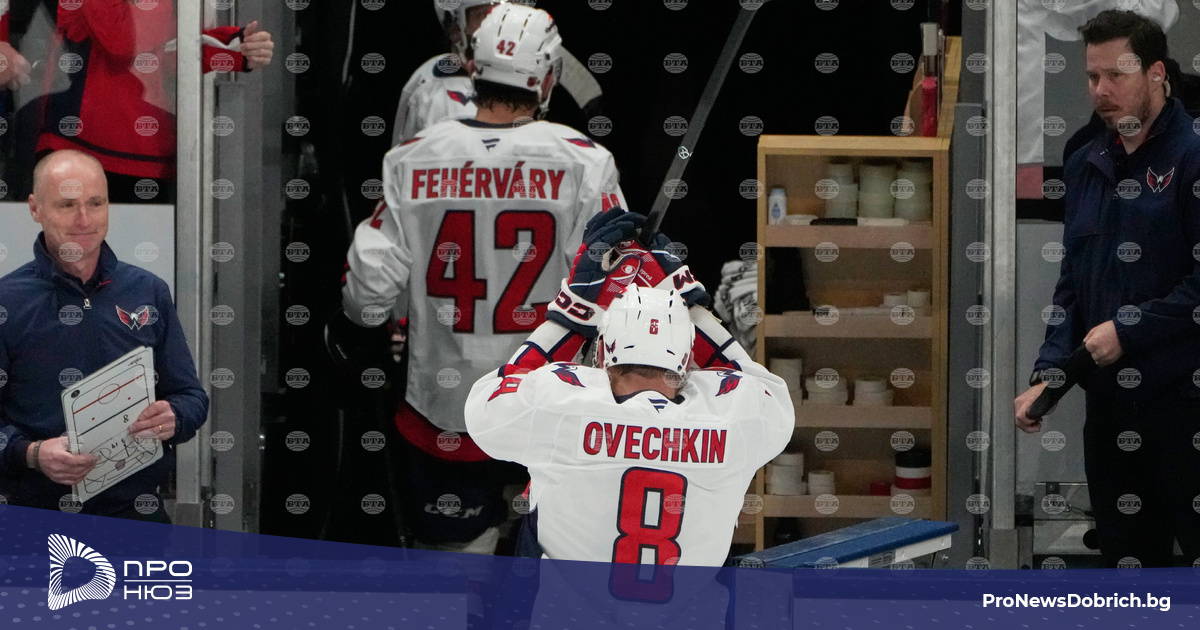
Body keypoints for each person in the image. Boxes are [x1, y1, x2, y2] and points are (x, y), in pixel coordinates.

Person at [334, 3, 629, 554]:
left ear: (472, 67)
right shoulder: (586, 162)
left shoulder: (413, 158)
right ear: (546, 79)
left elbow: (367, 294)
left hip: (444, 407)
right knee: (556, 569)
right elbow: (618, 289)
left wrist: (383, 327)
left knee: (454, 579)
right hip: (551, 407)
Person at [464, 214, 794, 566]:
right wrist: (686, 299)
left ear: (602, 352)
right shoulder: (735, 412)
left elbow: (488, 400)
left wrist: (573, 312)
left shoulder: (559, 400)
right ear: (688, 358)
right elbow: (758, 382)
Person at [1014, 10, 1200, 568]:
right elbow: (1073, 282)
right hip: (1112, 414)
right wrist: (1051, 371)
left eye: (1116, 75)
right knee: (1127, 570)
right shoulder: (1084, 161)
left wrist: (1128, 330)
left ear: (1156, 73)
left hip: (1185, 406)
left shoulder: (1192, 156)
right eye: (1093, 76)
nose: (1101, 90)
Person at [0, 149, 209, 521]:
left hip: (137, 516)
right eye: (67, 205)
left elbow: (191, 397)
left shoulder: (148, 291)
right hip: (37, 518)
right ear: (35, 208)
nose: (84, 220)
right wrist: (31, 454)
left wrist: (174, 416)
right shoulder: (7, 302)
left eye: (95, 203)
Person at [23, 1, 274, 202]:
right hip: (82, 149)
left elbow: (164, 56)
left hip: (146, 154)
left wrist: (236, 48)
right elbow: (123, 43)